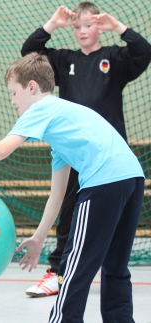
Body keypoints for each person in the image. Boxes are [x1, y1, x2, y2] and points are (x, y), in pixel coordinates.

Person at [0, 52, 144, 322]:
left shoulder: (41, 109)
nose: (13, 101)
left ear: (32, 87)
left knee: (73, 269)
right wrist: (38, 237)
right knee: (116, 267)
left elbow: (3, 149)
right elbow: (57, 196)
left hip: (104, 181)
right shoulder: (63, 126)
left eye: (14, 93)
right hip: (132, 177)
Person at [20, 1, 151, 297]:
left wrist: (118, 27)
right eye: (76, 26)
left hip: (109, 158)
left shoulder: (114, 59)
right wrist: (53, 23)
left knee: (114, 218)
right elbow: (29, 53)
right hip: (74, 153)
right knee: (69, 210)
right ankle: (58, 272)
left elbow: (144, 52)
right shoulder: (64, 60)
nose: (82, 31)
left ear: (100, 26)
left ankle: (112, 272)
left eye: (89, 24)